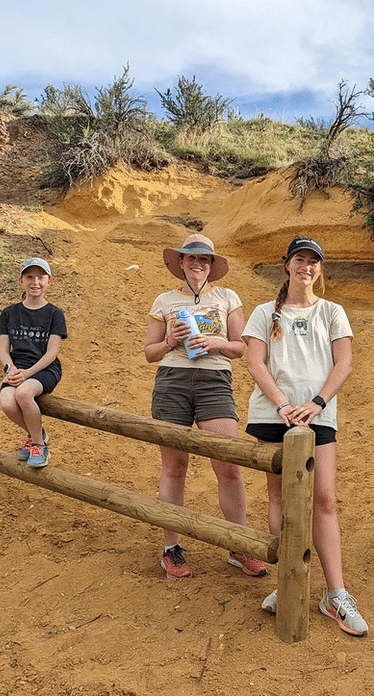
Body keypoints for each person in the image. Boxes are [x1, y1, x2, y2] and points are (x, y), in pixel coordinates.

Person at [243, 236, 369, 637]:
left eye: (314, 261)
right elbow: (255, 362)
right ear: (287, 265)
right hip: (272, 413)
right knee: (279, 495)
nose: (307, 267)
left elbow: (344, 362)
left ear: (320, 269)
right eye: (300, 259)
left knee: (324, 499)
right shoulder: (265, 312)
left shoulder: (332, 311)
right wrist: (282, 404)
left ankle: (335, 593)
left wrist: (315, 402)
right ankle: (288, 582)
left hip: (318, 415)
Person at [143, 233, 266, 580]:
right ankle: (172, 549)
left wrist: (215, 342)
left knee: (228, 465)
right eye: (190, 258)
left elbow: (240, 347)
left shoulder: (227, 297)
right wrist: (170, 340)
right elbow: (149, 352)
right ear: (180, 262)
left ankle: (238, 545)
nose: (197, 264)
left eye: (204, 259)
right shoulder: (164, 300)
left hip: (214, 382)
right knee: (174, 468)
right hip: (172, 380)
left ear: (212, 265)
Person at [0, 257, 67, 469]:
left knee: (23, 393)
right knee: (7, 402)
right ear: (21, 280)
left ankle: (38, 445)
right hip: (16, 368)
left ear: (49, 281)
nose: (35, 282)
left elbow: (51, 353)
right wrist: (11, 370)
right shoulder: (9, 313)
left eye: (40, 277)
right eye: (30, 277)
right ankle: (39, 433)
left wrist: (27, 374)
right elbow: (3, 350)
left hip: (44, 368)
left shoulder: (55, 314)